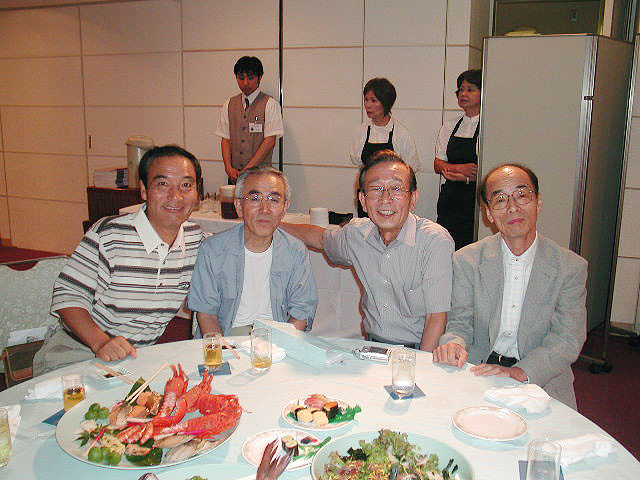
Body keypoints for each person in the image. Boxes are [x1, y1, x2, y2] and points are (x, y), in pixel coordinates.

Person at [33, 145, 203, 376]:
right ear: (144, 190)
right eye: (163, 184)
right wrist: (101, 342)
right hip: (79, 352)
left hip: (137, 360)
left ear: (197, 192)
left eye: (186, 185)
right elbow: (68, 296)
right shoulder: (110, 235)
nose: (176, 195)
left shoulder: (196, 240)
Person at [433, 164, 587, 408]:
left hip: (540, 378)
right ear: (488, 214)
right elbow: (460, 323)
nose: (513, 207)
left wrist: (520, 372)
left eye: (522, 195)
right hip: (479, 370)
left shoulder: (569, 267)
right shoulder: (467, 260)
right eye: (501, 200)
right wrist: (454, 344)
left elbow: (566, 339)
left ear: (538, 203)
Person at [282, 150, 453, 351]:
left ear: (413, 198)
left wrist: (420, 366)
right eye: (376, 189)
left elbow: (436, 317)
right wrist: (274, 224)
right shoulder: (356, 234)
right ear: (363, 200)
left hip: (418, 350)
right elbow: (320, 238)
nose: (385, 198)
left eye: (396, 188)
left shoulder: (434, 241)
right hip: (372, 348)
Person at [188, 167, 317, 336]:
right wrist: (223, 349)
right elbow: (207, 314)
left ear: (285, 207)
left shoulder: (295, 251)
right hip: (226, 337)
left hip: (277, 337)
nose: (265, 209)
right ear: (239, 206)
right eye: (255, 198)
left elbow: (301, 313)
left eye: (274, 200)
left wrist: (282, 346)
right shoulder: (212, 250)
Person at [349, 77, 420, 218]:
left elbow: (412, 168)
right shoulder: (361, 131)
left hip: (393, 198)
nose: (367, 105)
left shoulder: (401, 133)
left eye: (373, 100)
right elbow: (358, 164)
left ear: (386, 103)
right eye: (366, 100)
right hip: (369, 195)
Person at [216, 56, 284, 183]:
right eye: (241, 78)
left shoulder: (270, 104)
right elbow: (225, 139)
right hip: (235, 176)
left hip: (261, 177)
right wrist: (228, 167)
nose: (245, 83)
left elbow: (270, 142)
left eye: (250, 78)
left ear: (260, 77)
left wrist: (247, 170)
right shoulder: (229, 104)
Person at [434, 69, 482, 250]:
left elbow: (481, 171)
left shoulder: (488, 126)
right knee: (445, 245)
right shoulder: (450, 125)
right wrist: (462, 170)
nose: (463, 94)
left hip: (474, 199)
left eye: (470, 89)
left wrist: (453, 171)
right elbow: (438, 164)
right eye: (461, 90)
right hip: (451, 197)